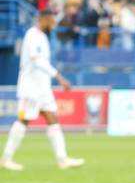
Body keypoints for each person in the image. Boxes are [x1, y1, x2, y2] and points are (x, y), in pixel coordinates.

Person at [2, 10, 84, 171]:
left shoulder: (42, 37)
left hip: (43, 88)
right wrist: (59, 77)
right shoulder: (32, 35)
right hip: (30, 88)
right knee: (23, 120)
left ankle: (62, 159)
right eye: (51, 21)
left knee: (52, 118)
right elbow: (38, 61)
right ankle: (6, 158)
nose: (53, 24)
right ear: (43, 19)